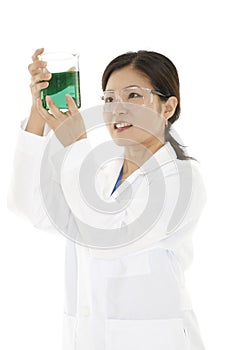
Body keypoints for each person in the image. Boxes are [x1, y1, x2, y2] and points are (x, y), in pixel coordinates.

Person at [8, 48, 207, 350]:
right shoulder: (101, 175)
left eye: (134, 96)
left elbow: (110, 237)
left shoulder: (181, 179)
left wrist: (75, 144)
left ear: (168, 108)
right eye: (110, 99)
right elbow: (29, 206)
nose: (118, 109)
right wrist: (38, 113)